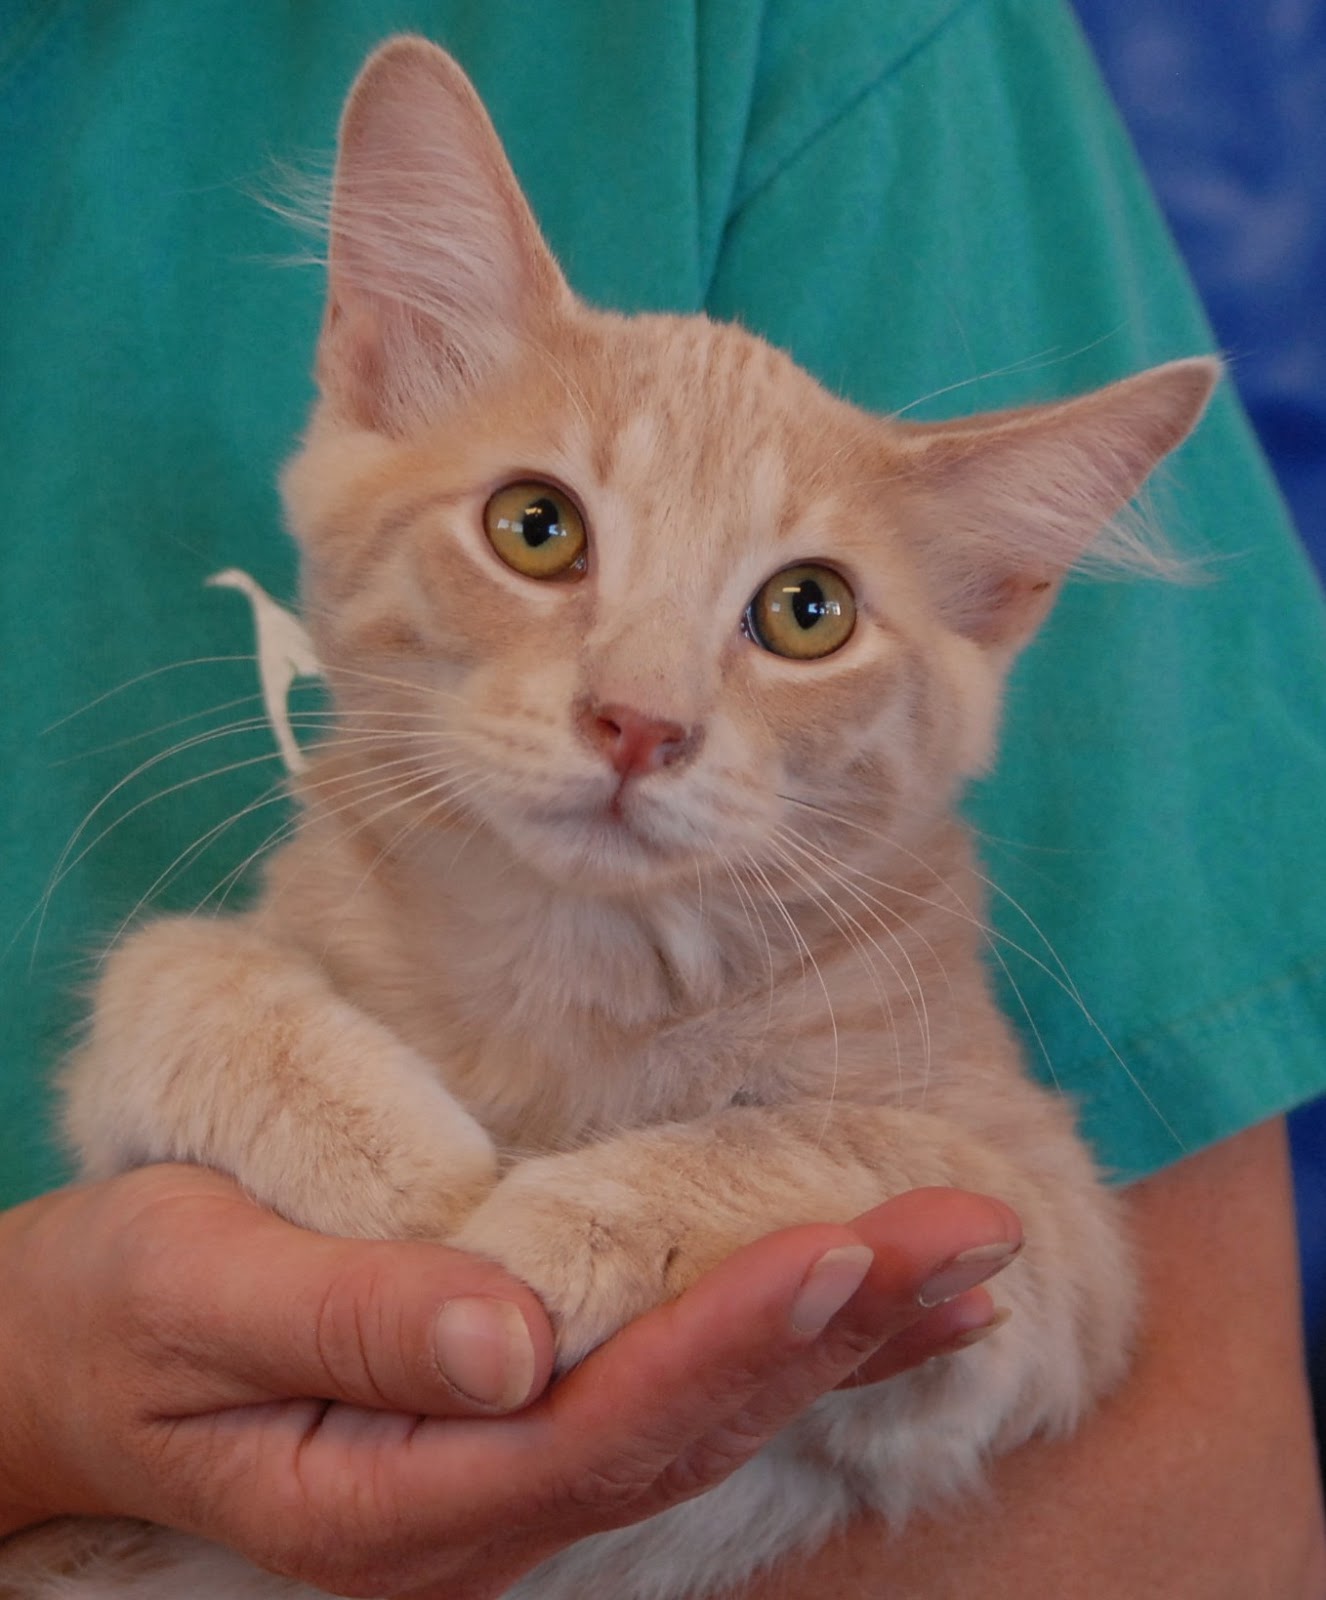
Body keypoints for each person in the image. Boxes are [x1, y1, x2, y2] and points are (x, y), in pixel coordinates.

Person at [2, 1, 1325, 1594]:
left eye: (800, 616)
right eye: (544, 533)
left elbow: (1057, 1304)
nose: (642, 709)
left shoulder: (876, 987)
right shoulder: (336, 881)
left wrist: (736, 1188)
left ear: (981, 614)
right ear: (378, 378)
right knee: (174, 989)